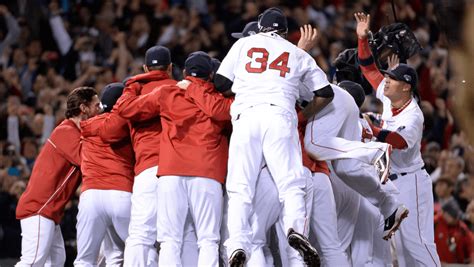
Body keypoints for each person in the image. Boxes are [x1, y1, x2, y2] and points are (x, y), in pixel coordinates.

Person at [214, 7, 333, 265]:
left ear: (260, 27)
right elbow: (325, 92)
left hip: (246, 116)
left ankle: (237, 244)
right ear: (284, 32)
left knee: (240, 188)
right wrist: (304, 114)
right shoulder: (295, 51)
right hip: (280, 117)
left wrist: (247, 85)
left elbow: (221, 83)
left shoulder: (244, 43)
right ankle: (296, 231)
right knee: (291, 184)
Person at [117, 51, 233, 266]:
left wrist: (134, 82)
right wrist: (201, 88)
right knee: (208, 240)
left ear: (186, 72)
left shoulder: (167, 92)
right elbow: (225, 113)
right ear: (210, 76)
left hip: (171, 173)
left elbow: (125, 108)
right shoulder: (219, 99)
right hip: (206, 174)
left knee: (169, 239)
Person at [355, 12, 441, 266]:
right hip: (392, 182)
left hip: (411, 182)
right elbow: (368, 68)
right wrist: (362, 39)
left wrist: (374, 128)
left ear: (406, 86)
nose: (386, 82)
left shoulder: (414, 114)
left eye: (392, 79)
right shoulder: (391, 98)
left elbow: (399, 141)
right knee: (402, 252)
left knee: (418, 244)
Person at [15, 87, 100, 267]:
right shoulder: (66, 130)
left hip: (49, 211)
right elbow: (89, 161)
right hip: (39, 208)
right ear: (83, 108)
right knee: (31, 262)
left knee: (55, 261)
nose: (100, 109)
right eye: (96, 105)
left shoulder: (73, 132)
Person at [118, 45, 176, 267]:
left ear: (144, 68)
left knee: (142, 235)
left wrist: (132, 84)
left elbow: (124, 110)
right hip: (177, 170)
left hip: (148, 168)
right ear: (170, 67)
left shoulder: (135, 91)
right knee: (175, 236)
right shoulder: (179, 87)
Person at [74, 83, 134, 266]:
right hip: (120, 193)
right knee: (138, 250)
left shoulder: (87, 125)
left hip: (90, 197)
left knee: (86, 260)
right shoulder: (128, 125)